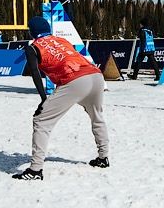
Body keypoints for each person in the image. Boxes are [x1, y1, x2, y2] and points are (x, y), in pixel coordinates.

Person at [12, 15, 110, 181]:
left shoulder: (33, 47)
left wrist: (44, 99)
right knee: (97, 117)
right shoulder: (62, 40)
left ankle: (35, 169)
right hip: (96, 75)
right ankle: (103, 158)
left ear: (31, 32)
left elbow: (36, 74)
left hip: (75, 80)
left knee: (41, 120)